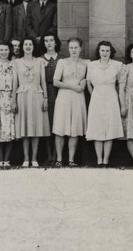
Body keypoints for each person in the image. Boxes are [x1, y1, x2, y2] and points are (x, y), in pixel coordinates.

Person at [86, 41, 124, 166]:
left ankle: (106, 159)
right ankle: (99, 159)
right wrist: (95, 95)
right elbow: (88, 83)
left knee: (110, 127)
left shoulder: (117, 65)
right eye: (102, 50)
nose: (105, 53)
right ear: (99, 51)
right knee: (97, 127)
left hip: (111, 97)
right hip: (96, 97)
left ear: (111, 52)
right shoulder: (91, 65)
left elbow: (120, 84)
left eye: (107, 50)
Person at [51, 38, 88, 167]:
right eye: (71, 48)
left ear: (80, 48)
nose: (73, 50)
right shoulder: (62, 62)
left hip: (78, 98)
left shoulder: (86, 63)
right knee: (61, 128)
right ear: (68, 49)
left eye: (76, 47)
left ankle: (71, 159)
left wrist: (84, 80)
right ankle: (59, 159)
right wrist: (73, 87)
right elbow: (56, 81)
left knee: (75, 129)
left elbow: (89, 78)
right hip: (64, 97)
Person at [14, 38, 50, 167]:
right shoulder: (17, 62)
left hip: (37, 95)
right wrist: (13, 101)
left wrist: (45, 98)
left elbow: (43, 81)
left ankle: (34, 159)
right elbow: (14, 83)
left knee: (36, 127)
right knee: (24, 128)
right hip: (22, 96)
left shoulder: (40, 62)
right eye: (25, 44)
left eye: (30, 44)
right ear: (22, 47)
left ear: (33, 47)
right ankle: (26, 158)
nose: (28, 46)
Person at [40, 34, 60, 164]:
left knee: (57, 123)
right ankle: (49, 155)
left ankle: (57, 155)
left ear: (56, 42)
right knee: (47, 123)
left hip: (59, 91)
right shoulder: (39, 59)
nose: (49, 43)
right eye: (46, 41)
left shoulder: (62, 59)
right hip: (44, 92)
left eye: (51, 40)